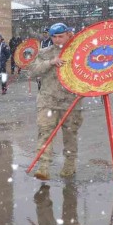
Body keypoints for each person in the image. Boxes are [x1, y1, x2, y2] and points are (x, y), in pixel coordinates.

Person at [27, 23, 81, 179]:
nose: (57, 40)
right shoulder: (45, 53)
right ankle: (43, 166)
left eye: (60, 36)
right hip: (48, 100)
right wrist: (50, 63)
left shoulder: (78, 52)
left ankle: (69, 164)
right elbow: (32, 71)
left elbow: (89, 73)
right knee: (45, 132)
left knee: (70, 135)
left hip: (71, 101)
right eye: (54, 37)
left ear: (68, 34)